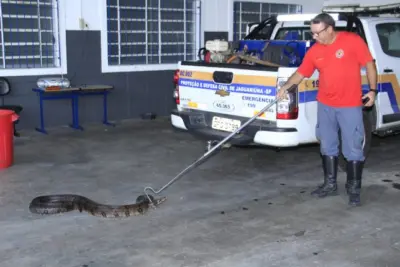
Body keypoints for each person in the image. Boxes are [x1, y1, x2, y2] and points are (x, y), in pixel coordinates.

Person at [277, 13, 378, 206]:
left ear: (329, 29)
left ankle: (354, 190)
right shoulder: (315, 50)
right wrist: (286, 88)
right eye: (312, 33)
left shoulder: (352, 41)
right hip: (325, 105)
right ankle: (330, 185)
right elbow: (301, 73)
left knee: (353, 148)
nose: (313, 37)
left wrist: (373, 90)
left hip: (349, 105)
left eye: (317, 33)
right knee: (327, 145)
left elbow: (369, 64)